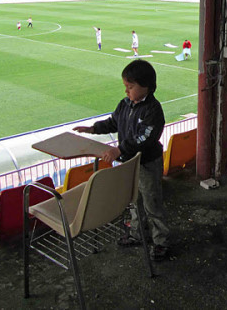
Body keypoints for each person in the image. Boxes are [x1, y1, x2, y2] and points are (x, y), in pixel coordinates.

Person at [73, 60, 170, 261]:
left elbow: (144, 138)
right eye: (125, 87)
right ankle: (137, 233)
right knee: (134, 201)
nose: (126, 91)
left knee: (152, 203)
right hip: (129, 164)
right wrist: (92, 129)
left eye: (131, 87)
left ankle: (161, 241)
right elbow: (113, 122)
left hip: (147, 164)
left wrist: (120, 149)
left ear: (147, 87)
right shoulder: (125, 104)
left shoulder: (153, 110)